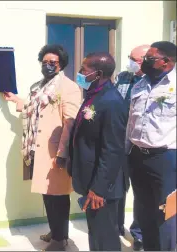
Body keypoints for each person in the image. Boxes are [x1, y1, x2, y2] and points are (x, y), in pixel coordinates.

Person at [4, 44, 82, 251]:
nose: (48, 66)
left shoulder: (68, 87)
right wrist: (16, 100)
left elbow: (70, 121)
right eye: (45, 62)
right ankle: (56, 231)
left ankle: (60, 239)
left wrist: (62, 153)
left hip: (55, 151)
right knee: (48, 194)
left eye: (53, 63)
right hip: (37, 148)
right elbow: (33, 108)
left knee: (58, 195)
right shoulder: (39, 86)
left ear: (61, 64)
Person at [68, 52, 129, 251]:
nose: (79, 73)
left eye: (84, 70)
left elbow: (112, 149)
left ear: (98, 73)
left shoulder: (111, 101)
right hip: (91, 179)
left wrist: (99, 188)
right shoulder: (94, 95)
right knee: (96, 234)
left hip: (103, 186)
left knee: (106, 237)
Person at [126, 41, 176, 251]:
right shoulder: (140, 83)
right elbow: (131, 120)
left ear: (166, 61)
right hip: (138, 155)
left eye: (151, 58)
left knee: (167, 212)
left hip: (165, 157)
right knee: (144, 209)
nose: (145, 61)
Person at [114, 44, 149, 251]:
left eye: (133, 59)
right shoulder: (123, 77)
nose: (129, 62)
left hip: (141, 144)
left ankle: (139, 234)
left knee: (142, 192)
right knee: (118, 186)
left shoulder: (155, 82)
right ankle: (116, 226)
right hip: (120, 142)